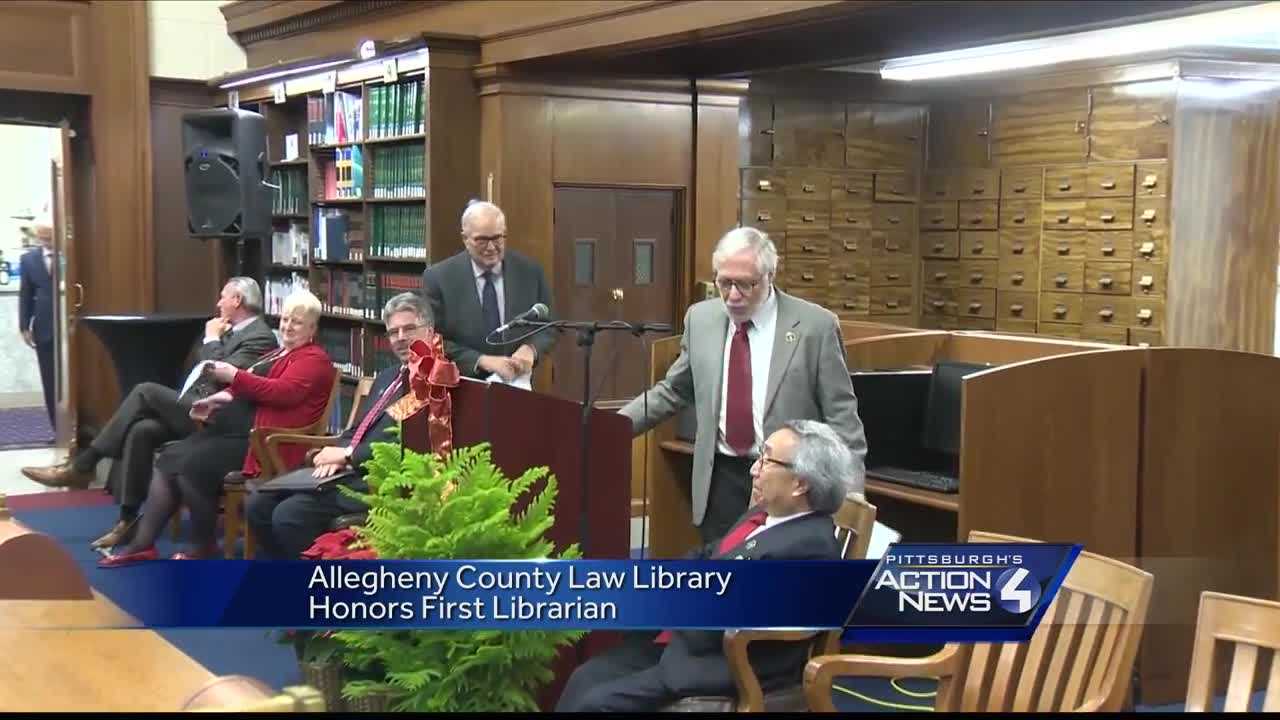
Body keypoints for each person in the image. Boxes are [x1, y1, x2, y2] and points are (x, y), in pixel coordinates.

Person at [555, 420, 857, 712]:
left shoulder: (810, 547)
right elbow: (707, 555)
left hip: (718, 664)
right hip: (685, 643)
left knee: (594, 703)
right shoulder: (763, 516)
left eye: (767, 461)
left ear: (800, 484)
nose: (753, 469)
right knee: (584, 677)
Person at [620, 226, 867, 544]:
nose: (733, 296)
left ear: (770, 275)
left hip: (788, 482)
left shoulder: (815, 327)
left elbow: (842, 416)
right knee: (721, 568)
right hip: (719, 479)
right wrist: (611, 428)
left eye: (745, 284)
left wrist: (852, 495)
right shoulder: (701, 319)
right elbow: (675, 389)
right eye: (724, 283)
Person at [22, 277, 279, 549]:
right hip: (196, 408)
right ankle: (127, 520)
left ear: (237, 300)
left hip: (219, 418)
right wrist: (215, 338)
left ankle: (85, 464)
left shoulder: (260, 336)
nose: (218, 303)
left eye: (223, 297)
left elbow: (218, 373)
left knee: (144, 391)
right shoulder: (230, 330)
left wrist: (212, 338)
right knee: (142, 430)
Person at [98, 290, 334, 566]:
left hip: (263, 443)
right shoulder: (279, 353)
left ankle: (203, 545)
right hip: (235, 432)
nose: (288, 326)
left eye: (297, 322)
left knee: (192, 466)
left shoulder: (314, 360)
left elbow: (280, 392)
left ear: (312, 329)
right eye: (285, 319)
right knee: (170, 459)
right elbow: (246, 387)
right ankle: (142, 544)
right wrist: (216, 399)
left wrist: (234, 375)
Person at [245, 292, 434, 559]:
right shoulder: (388, 376)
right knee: (258, 504)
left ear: (430, 331)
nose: (401, 338)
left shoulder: (434, 381)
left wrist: (348, 455)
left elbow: (406, 443)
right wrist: (333, 452)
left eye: (409, 329)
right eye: (394, 332)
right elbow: (359, 429)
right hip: (347, 470)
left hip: (382, 480)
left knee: (289, 516)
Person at [421, 200, 556, 383]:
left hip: (518, 384)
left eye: (497, 238)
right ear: (465, 239)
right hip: (463, 385)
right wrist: (481, 360)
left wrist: (531, 349)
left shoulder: (529, 272)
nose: (491, 247)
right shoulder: (439, 278)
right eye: (482, 240)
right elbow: (431, 338)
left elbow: (549, 326)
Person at [17, 223, 56, 429]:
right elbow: (25, 294)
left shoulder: (70, 254)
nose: (45, 239)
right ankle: (57, 428)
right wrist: (24, 326)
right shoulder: (28, 259)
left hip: (71, 327)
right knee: (49, 379)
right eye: (42, 236)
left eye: (49, 235)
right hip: (44, 327)